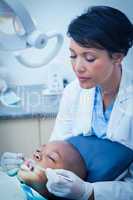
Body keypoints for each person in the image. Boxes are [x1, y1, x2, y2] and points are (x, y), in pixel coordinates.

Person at [1, 5, 133, 200]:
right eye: (73, 55)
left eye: (89, 58)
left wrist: (89, 192)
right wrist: (31, 167)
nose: (78, 67)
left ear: (117, 57)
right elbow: (55, 152)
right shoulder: (73, 92)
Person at [0, 137, 87, 200]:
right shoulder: (9, 173)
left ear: (62, 182)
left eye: (51, 157)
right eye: (39, 150)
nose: (37, 154)